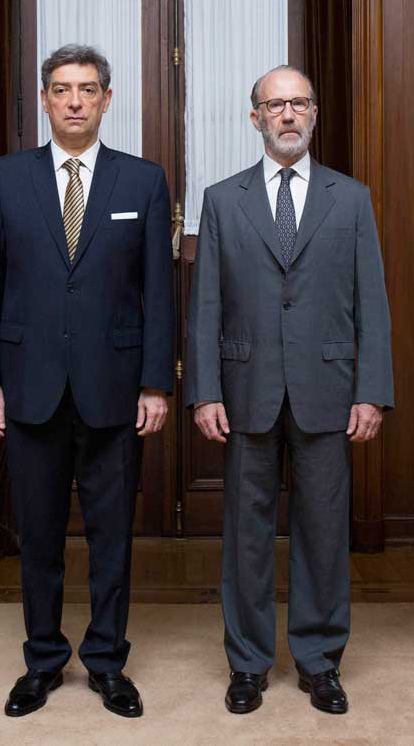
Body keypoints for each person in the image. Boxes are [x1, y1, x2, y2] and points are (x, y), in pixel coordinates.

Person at [0, 44, 174, 718]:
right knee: (40, 534)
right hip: (28, 385)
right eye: (63, 89)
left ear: (107, 100)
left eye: (88, 89)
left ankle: (108, 663)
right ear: (44, 98)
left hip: (116, 388)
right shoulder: (5, 178)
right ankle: (43, 660)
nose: (76, 100)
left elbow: (158, 292)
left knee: (111, 536)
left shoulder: (142, 180)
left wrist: (155, 384)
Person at [186, 65, 393, 715]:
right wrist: (205, 391)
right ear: (255, 118)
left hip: (329, 390)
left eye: (300, 102)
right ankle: (247, 664)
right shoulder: (222, 200)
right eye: (275, 105)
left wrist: (372, 391)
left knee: (323, 532)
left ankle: (319, 660)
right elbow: (207, 304)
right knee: (246, 537)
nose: (288, 115)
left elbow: (373, 304)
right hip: (244, 388)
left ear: (314, 114)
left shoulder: (351, 197)